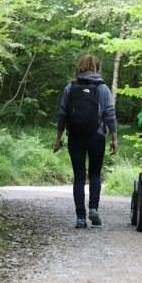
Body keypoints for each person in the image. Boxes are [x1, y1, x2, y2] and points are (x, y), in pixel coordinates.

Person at [53, 54, 118, 229]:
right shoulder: (103, 88)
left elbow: (62, 115)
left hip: (75, 136)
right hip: (97, 136)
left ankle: (80, 217)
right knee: (95, 174)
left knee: (79, 177)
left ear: (80, 68)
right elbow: (109, 114)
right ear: (97, 68)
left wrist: (58, 138)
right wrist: (114, 138)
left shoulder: (70, 88)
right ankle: (94, 208)